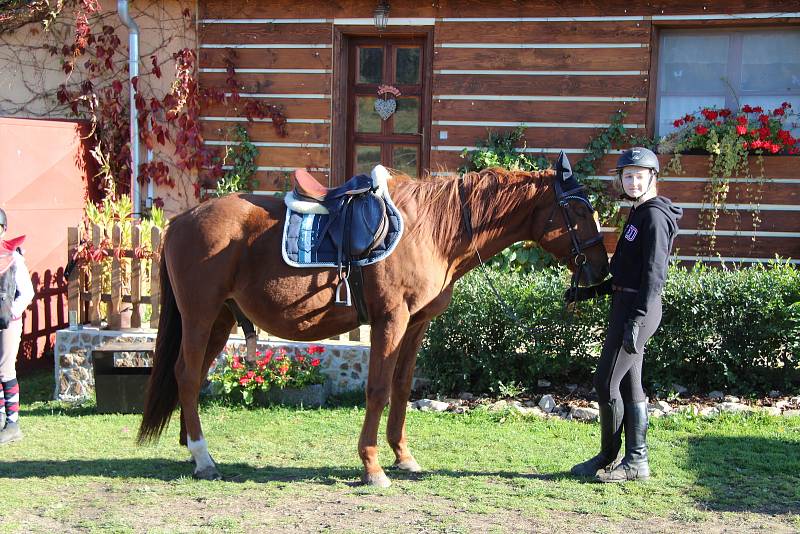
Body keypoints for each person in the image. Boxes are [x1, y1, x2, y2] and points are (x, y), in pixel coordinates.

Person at [565, 147, 682, 482]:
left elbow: (653, 276)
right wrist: (587, 293)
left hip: (638, 311)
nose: (632, 181)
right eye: (627, 176)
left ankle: (608, 457)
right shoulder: (638, 212)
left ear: (652, 177)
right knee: (630, 386)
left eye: (638, 175)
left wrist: (637, 318)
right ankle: (637, 462)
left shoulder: (655, 216)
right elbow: (624, 278)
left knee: (605, 381)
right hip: (627, 305)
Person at [0, 208, 34, 445]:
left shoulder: (13, 257)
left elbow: (27, 292)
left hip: (8, 322)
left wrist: (11, 313)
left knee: (5, 371)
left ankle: (13, 424)